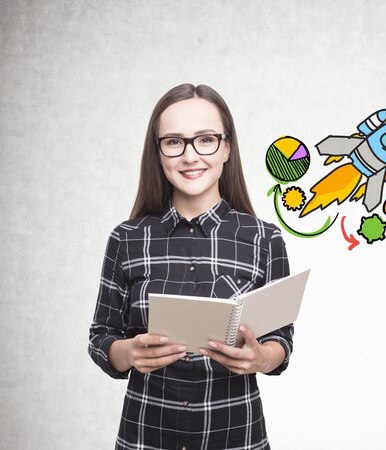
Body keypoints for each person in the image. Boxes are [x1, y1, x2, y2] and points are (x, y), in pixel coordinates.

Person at [88, 83, 293, 450]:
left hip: (237, 439)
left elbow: (281, 341)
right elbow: (101, 336)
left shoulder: (265, 239)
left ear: (227, 147)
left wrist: (259, 357)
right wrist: (130, 352)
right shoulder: (127, 238)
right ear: (158, 152)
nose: (190, 156)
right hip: (144, 439)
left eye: (205, 139)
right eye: (174, 141)